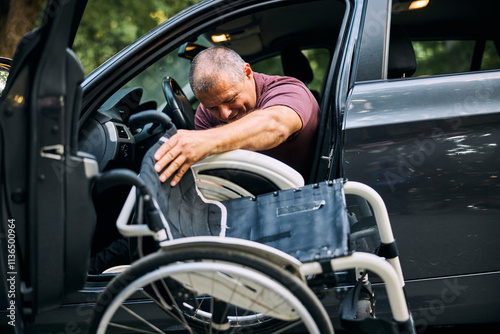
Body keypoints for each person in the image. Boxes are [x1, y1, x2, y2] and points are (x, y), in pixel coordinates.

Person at [154, 46, 319, 185]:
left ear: (247, 73)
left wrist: (205, 140)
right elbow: (214, 176)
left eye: (230, 99)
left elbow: (274, 126)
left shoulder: (290, 90)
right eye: (213, 108)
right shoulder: (206, 112)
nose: (225, 114)